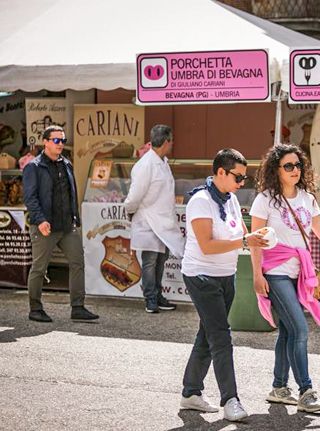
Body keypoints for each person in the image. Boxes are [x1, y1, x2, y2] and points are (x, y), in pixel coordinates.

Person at [180, 149, 267, 421]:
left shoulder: (229, 198)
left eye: (245, 178)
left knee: (208, 334)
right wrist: (245, 241)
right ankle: (231, 399)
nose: (242, 183)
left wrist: (258, 237)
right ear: (220, 172)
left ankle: (190, 393)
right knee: (221, 336)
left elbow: (242, 232)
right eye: (238, 177)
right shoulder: (200, 200)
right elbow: (206, 246)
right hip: (201, 276)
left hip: (225, 275)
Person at [250, 143, 320, 413]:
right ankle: (306, 390)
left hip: (298, 272)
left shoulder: (307, 198)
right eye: (288, 166)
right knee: (300, 329)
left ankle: (279, 387)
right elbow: (255, 242)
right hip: (275, 271)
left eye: (298, 165)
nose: (295, 170)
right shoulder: (265, 199)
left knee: (289, 331)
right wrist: (257, 275)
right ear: (276, 169)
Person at [23, 125, 99, 323]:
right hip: (45, 226)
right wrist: (40, 220)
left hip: (67, 225)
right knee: (39, 267)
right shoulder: (34, 166)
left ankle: (78, 307)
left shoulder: (66, 163)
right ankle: (35, 308)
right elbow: (30, 198)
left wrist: (76, 218)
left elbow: (70, 193)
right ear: (45, 141)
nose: (60, 144)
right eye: (56, 140)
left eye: (63, 141)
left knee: (77, 263)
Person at [124, 124, 184, 313]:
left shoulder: (163, 162)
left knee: (161, 259)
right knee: (150, 261)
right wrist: (130, 210)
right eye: (171, 140)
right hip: (148, 220)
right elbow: (134, 196)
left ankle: (158, 295)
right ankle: (150, 299)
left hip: (164, 220)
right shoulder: (145, 165)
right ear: (166, 142)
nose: (172, 143)